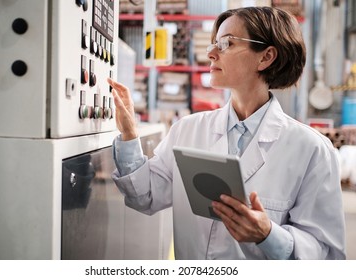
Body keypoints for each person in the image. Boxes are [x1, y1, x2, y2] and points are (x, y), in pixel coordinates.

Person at [107, 6, 346, 259]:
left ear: (265, 57)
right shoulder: (187, 130)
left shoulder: (311, 150)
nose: (210, 53)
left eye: (226, 44)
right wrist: (130, 134)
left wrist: (268, 235)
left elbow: (325, 253)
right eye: (213, 43)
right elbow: (145, 196)